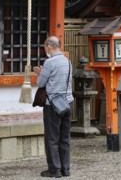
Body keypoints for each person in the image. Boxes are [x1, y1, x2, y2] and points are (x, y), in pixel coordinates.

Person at [33, 36, 74, 178]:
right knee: (64, 137)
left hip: (53, 104)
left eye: (45, 47)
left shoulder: (49, 63)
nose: (46, 50)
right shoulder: (68, 62)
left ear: (49, 46)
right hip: (68, 102)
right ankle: (65, 169)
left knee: (51, 138)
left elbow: (40, 83)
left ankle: (54, 170)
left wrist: (40, 72)